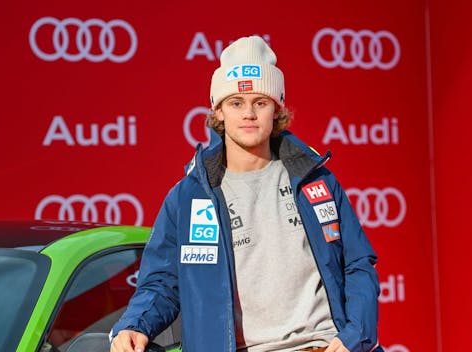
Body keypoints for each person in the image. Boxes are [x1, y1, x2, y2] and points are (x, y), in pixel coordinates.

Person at [110, 35, 383, 352]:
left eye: (260, 103)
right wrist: (135, 325)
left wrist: (354, 336)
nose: (249, 114)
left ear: (277, 110)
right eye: (236, 103)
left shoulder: (314, 181)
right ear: (219, 112)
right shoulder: (189, 198)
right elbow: (163, 283)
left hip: (320, 345)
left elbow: (358, 265)